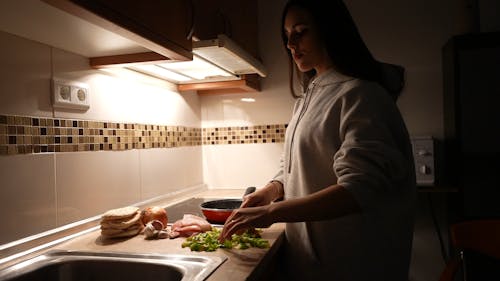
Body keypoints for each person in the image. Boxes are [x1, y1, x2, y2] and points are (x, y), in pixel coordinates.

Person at [219, 0, 416, 280]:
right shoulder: (309, 97)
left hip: (353, 265)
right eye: (287, 36)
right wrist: (271, 190)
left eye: (301, 31)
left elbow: (358, 190)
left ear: (330, 30)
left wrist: (271, 212)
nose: (291, 43)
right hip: (314, 264)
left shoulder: (361, 95)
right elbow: (297, 165)